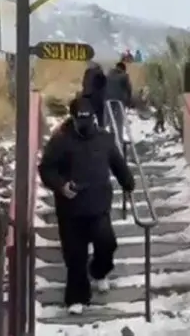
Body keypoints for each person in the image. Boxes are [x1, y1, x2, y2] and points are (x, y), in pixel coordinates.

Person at [38, 97, 135, 315]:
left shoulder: (104, 139)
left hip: (98, 205)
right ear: (72, 118)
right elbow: (46, 169)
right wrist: (61, 186)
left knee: (107, 243)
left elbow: (117, 163)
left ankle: (100, 271)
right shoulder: (60, 141)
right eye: (81, 120)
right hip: (70, 208)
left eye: (89, 119)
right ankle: (76, 297)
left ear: (94, 118)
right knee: (75, 255)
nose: (86, 124)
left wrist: (127, 182)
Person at [105, 62, 133, 140]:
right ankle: (119, 140)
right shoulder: (124, 76)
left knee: (111, 122)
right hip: (119, 101)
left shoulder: (108, 75)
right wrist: (129, 102)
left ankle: (111, 139)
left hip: (107, 101)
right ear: (123, 69)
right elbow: (128, 89)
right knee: (118, 122)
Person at [81, 61, 107, 127]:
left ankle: (86, 130)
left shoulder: (87, 72)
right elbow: (102, 85)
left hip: (86, 96)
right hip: (96, 97)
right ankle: (101, 130)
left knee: (87, 116)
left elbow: (83, 84)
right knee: (100, 116)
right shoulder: (100, 73)